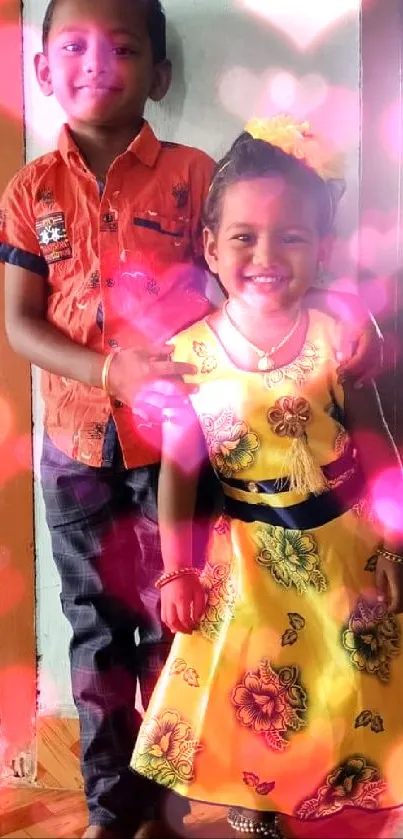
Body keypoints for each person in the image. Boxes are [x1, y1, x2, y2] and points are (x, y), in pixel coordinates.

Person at [0, 0, 383, 832]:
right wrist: (107, 367)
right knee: (97, 633)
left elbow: (268, 242)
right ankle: (112, 809)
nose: (96, 63)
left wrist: (354, 325)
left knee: (189, 629)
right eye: (72, 45)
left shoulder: (192, 175)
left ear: (159, 74)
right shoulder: (31, 189)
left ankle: (184, 795)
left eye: (123, 47)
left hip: (184, 445)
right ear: (41, 71)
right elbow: (18, 322)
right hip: (75, 448)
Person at [131, 116, 403, 839]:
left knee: (344, 689)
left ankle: (340, 810)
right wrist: (175, 572)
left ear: (321, 249)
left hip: (343, 549)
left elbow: (375, 441)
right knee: (256, 696)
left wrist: (395, 536)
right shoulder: (186, 352)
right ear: (211, 249)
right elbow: (180, 469)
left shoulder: (336, 336)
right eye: (244, 236)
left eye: (291, 236)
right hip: (248, 561)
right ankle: (262, 814)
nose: (266, 253)